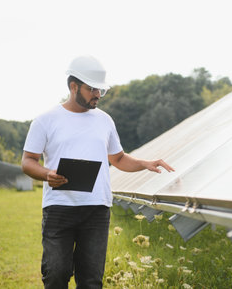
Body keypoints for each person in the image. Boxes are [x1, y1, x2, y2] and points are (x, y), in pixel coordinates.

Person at [21, 55, 175, 289]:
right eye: (92, 89)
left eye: (100, 90)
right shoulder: (45, 120)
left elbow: (119, 158)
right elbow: (28, 161)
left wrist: (144, 163)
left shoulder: (105, 121)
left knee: (92, 281)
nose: (97, 95)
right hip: (59, 208)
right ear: (74, 86)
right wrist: (47, 174)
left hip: (96, 210)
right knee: (56, 274)